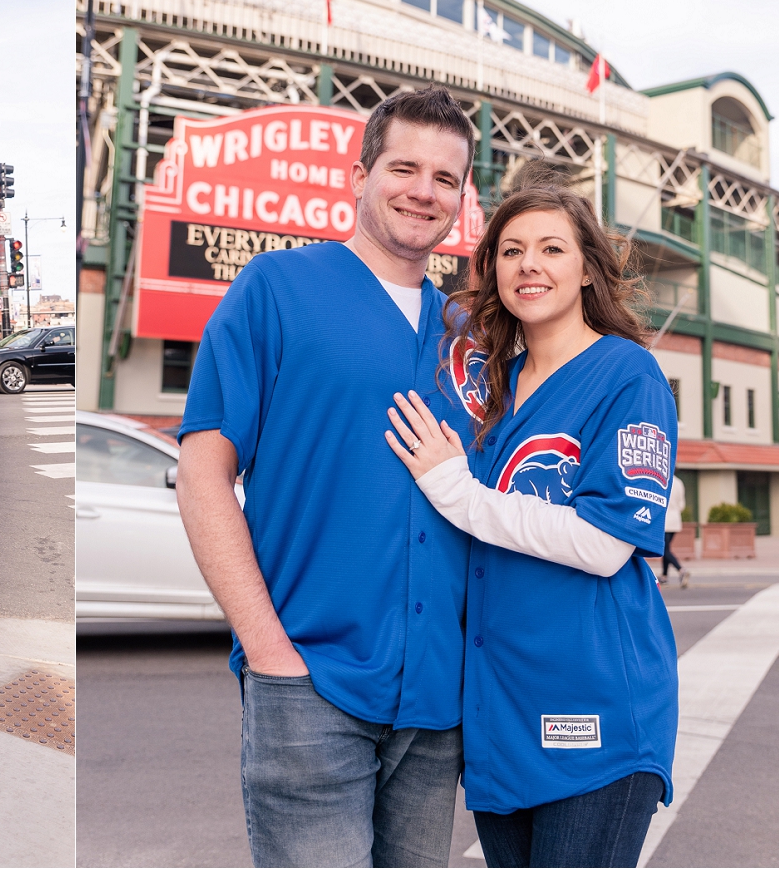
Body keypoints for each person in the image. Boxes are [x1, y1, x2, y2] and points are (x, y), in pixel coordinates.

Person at [175, 86, 481, 867]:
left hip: (436, 704)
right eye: (404, 167)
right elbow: (202, 472)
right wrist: (269, 649)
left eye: (446, 178)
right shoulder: (275, 291)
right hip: (309, 683)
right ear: (358, 175)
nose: (424, 190)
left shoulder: (465, 337)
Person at [384, 163, 678, 868]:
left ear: (586, 269)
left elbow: (608, 542)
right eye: (510, 250)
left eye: (551, 248)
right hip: (500, 720)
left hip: (593, 715)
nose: (529, 265)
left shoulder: (626, 375)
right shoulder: (494, 386)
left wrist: (459, 492)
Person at [661, 474, 689, 587]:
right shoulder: (679, 482)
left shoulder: (661, 479)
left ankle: (681, 570)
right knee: (666, 548)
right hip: (675, 520)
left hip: (664, 520)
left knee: (663, 549)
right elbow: (682, 505)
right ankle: (664, 576)